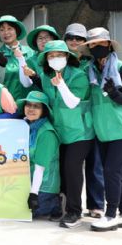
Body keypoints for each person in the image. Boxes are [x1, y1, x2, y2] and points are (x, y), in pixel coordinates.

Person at [24, 40, 95, 229]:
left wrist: (62, 84)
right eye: (51, 55)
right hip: (58, 131)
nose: (55, 58)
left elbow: (73, 103)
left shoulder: (79, 76)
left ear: (67, 56)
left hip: (79, 132)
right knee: (59, 169)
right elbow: (45, 101)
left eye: (59, 55)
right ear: (46, 59)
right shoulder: (45, 77)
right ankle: (59, 206)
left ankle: (74, 212)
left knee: (72, 169)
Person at [83, 28, 122, 232]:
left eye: (100, 43)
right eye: (92, 44)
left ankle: (110, 215)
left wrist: (113, 92)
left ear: (108, 44)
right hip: (103, 130)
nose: (96, 47)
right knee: (117, 174)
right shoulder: (91, 70)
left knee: (110, 172)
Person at [64, 22, 104, 217]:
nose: (74, 41)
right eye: (70, 38)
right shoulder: (60, 62)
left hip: (93, 118)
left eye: (79, 38)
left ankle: (96, 204)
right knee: (70, 166)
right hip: (70, 122)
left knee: (94, 163)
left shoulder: (92, 63)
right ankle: (69, 203)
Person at [21, 91, 62, 220]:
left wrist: (33, 194)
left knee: (26, 212)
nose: (31, 109)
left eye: (37, 106)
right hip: (27, 181)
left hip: (44, 186)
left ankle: (55, 203)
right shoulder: (25, 125)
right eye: (28, 104)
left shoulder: (46, 133)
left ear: (44, 110)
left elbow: (40, 169)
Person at [0, 15, 35, 103]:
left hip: (29, 104)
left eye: (9, 28)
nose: (6, 32)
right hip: (6, 103)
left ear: (17, 31)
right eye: (2, 30)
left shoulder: (30, 52)